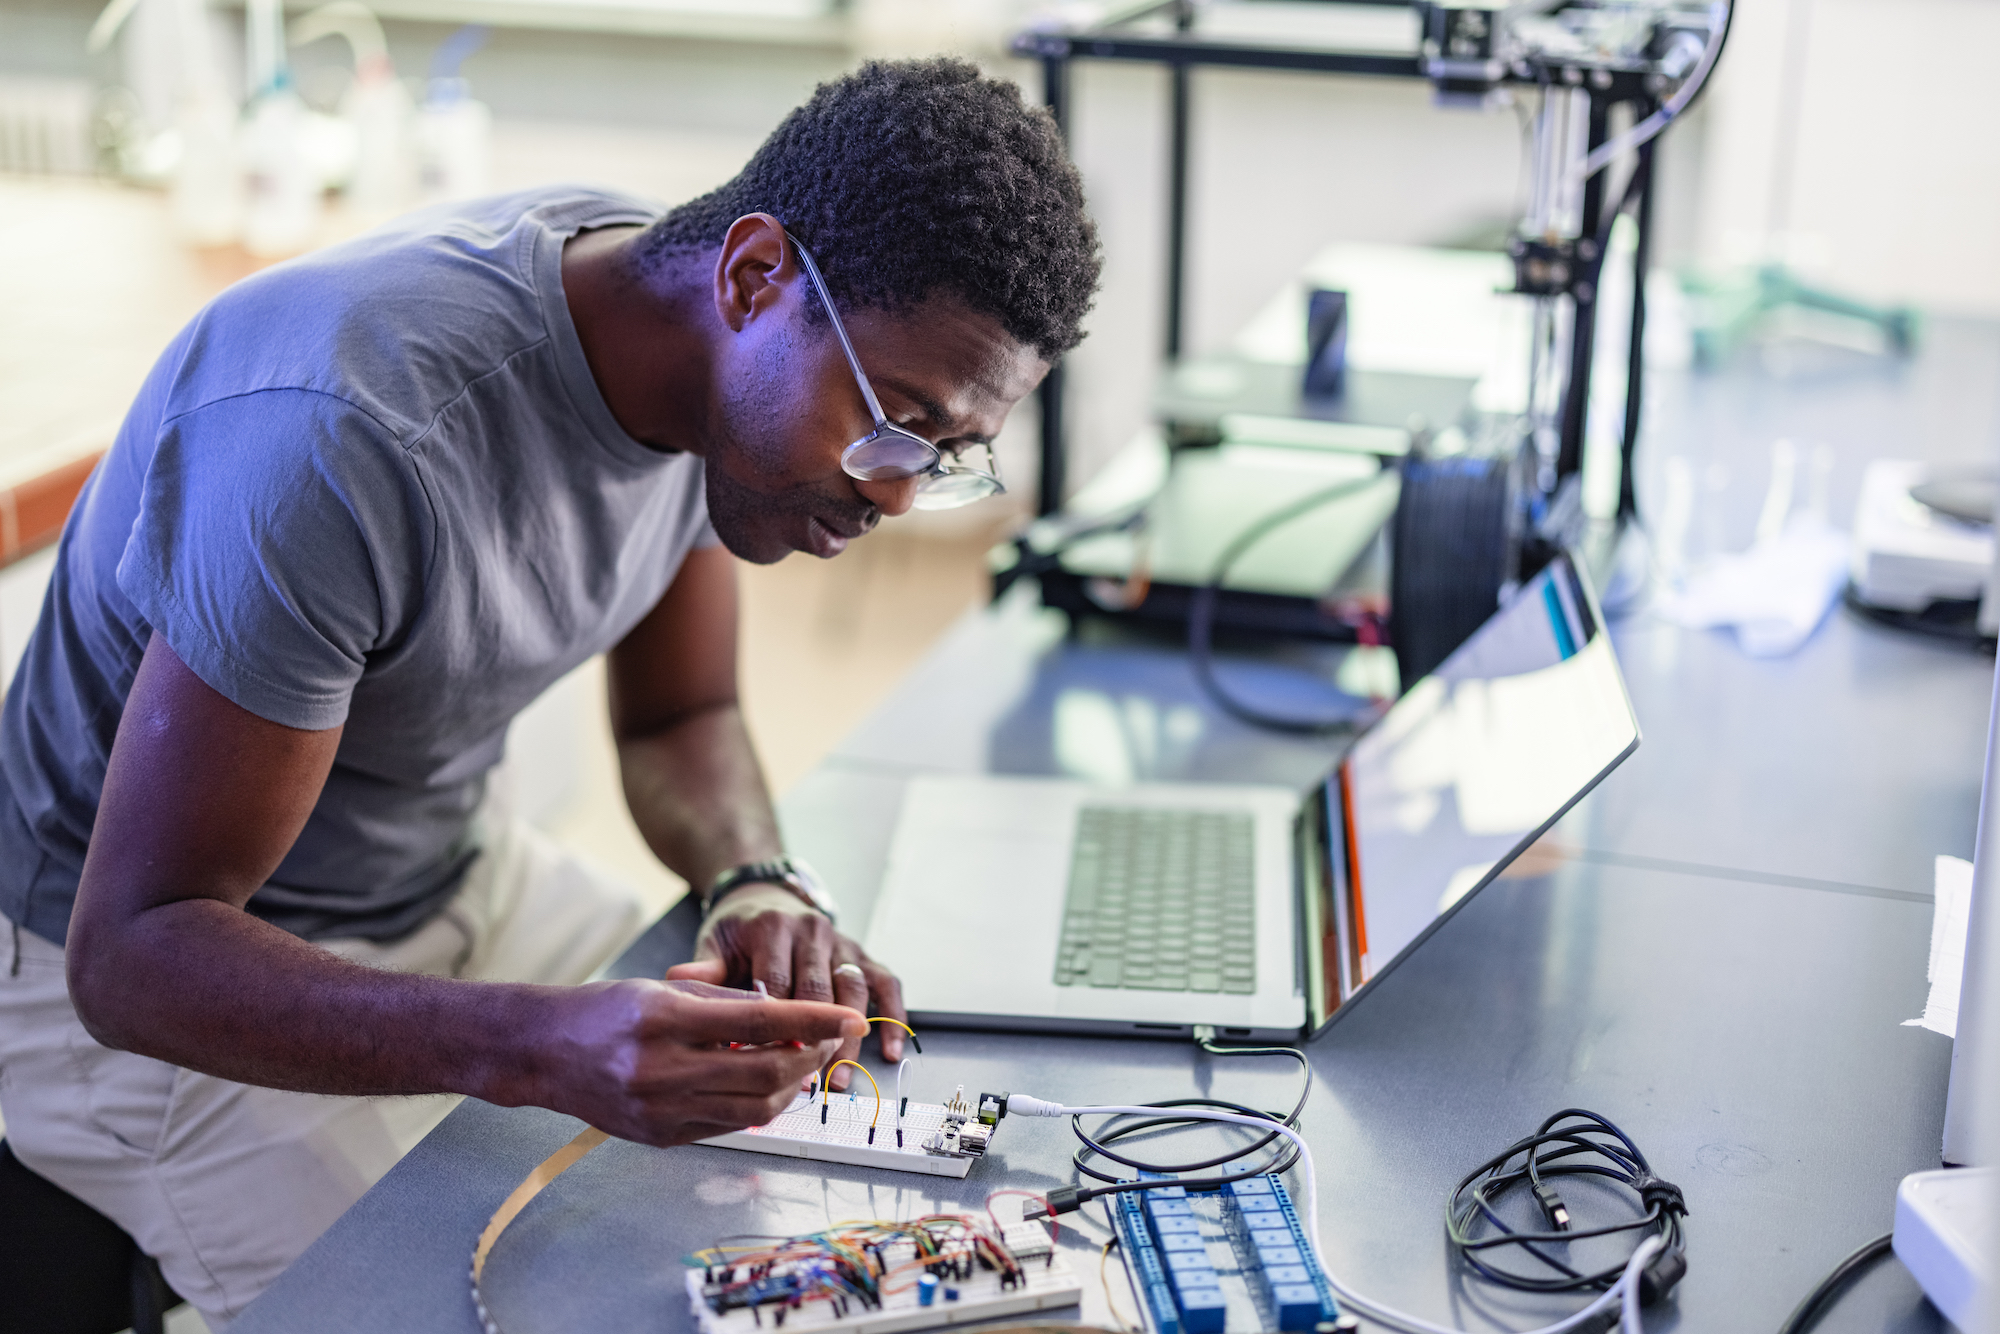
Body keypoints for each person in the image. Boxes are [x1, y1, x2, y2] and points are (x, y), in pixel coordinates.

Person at [0, 57, 1100, 1326]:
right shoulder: (344, 435)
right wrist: (530, 1043)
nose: (898, 495)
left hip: (449, 874)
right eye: (896, 423)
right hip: (141, 987)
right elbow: (133, 955)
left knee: (787, 1187)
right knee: (473, 1302)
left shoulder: (690, 344)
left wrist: (754, 876)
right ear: (754, 279)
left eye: (947, 453)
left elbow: (680, 719)